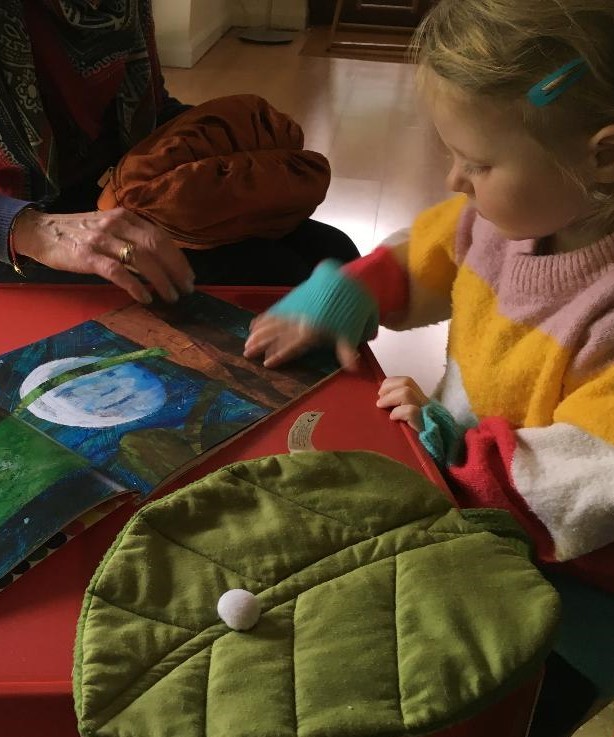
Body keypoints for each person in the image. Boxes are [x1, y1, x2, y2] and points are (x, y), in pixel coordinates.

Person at [244, 0, 614, 734]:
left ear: (604, 156)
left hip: (572, 578)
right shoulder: (501, 219)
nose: (453, 179)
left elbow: (585, 481)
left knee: (492, 704)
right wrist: (340, 299)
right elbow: (424, 254)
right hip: (465, 485)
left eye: (477, 163)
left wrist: (452, 449)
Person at [0, 0, 358, 299]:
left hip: (103, 194)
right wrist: (38, 230)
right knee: (282, 281)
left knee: (332, 257)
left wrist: (214, 140)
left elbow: (134, 105)